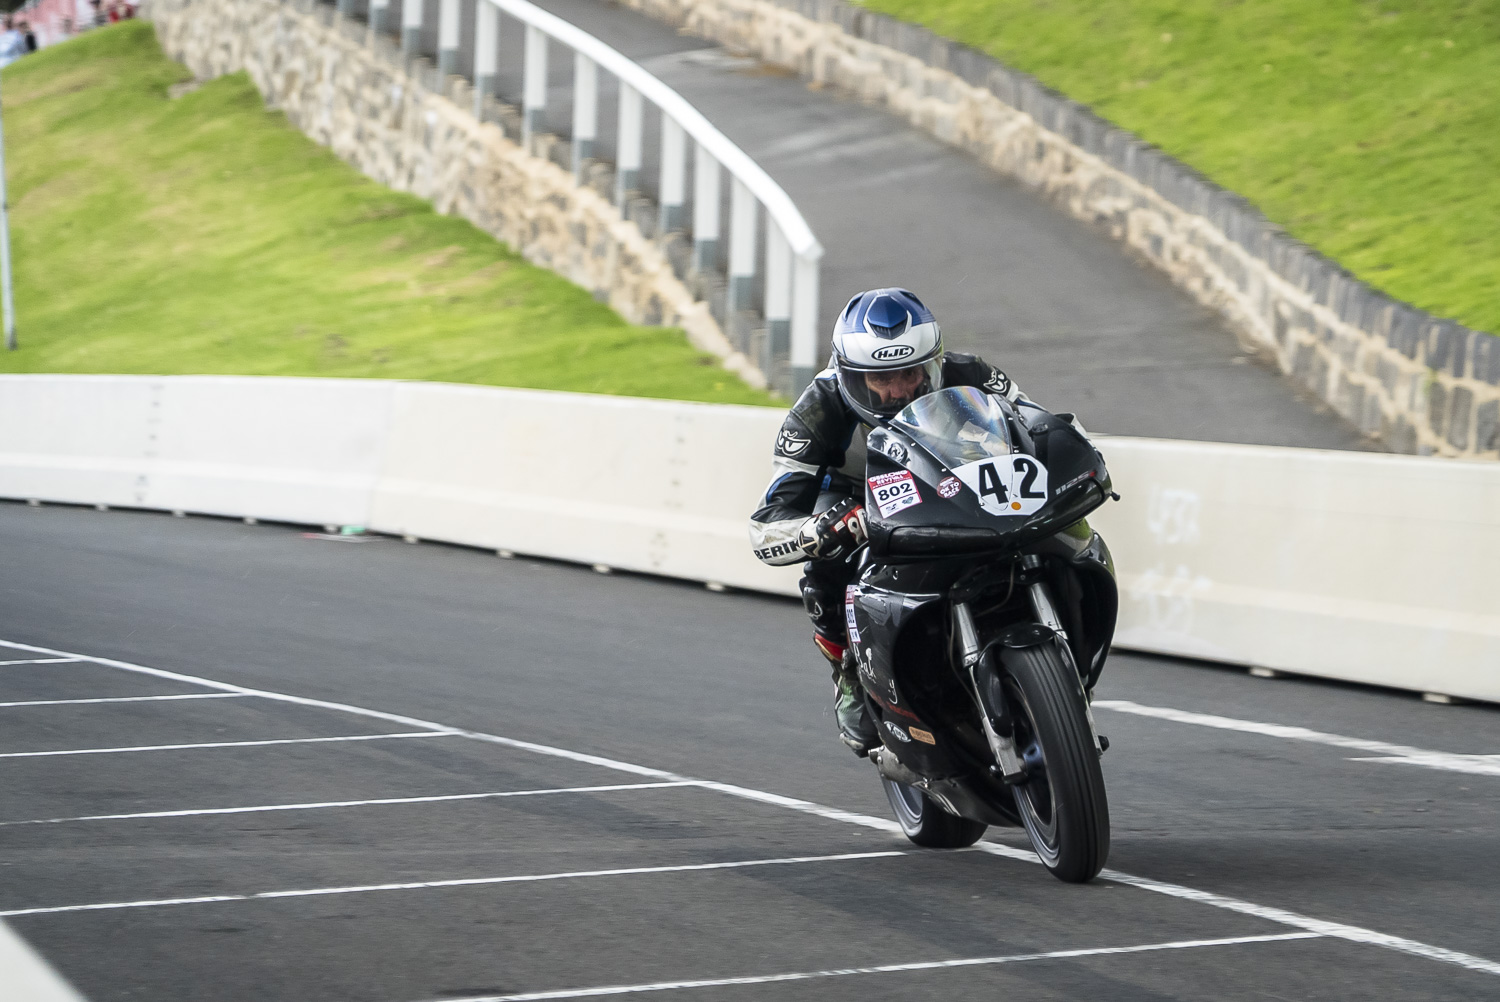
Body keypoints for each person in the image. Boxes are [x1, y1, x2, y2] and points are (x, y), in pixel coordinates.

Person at [748, 288, 1025, 754]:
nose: (898, 391)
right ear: (851, 376)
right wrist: (816, 531)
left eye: (910, 373)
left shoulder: (970, 374)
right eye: (881, 379)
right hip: (856, 497)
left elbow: (1037, 422)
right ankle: (849, 673)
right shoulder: (816, 409)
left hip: (951, 477)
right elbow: (765, 524)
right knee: (825, 566)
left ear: (932, 364)